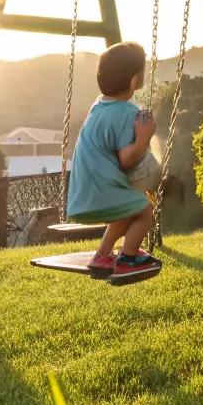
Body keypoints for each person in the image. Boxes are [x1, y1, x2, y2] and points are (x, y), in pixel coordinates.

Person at [66, 40, 162, 276]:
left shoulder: (98, 106)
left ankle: (102, 255)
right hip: (103, 191)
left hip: (83, 195)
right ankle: (128, 257)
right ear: (135, 81)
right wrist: (143, 137)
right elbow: (126, 160)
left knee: (127, 209)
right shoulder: (127, 113)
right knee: (144, 211)